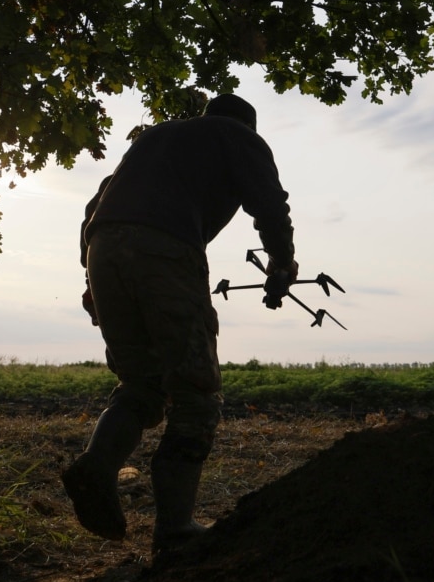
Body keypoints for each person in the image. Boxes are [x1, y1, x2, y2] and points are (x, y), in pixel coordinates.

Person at [62, 93, 298, 553]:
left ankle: (96, 465)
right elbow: (269, 200)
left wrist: (93, 277)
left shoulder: (153, 139)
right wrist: (282, 260)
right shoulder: (238, 136)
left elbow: (97, 203)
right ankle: (174, 531)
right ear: (246, 125)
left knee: (143, 383)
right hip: (166, 250)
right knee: (196, 393)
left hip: (103, 251)